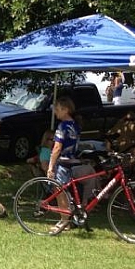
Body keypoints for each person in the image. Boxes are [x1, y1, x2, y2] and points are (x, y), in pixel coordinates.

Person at [45, 96, 80, 231]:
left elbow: (57, 148)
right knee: (65, 191)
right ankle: (68, 218)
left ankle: (64, 220)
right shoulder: (75, 125)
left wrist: (50, 166)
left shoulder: (62, 126)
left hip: (63, 162)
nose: (55, 112)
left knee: (59, 190)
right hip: (73, 161)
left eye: (57, 109)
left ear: (65, 110)